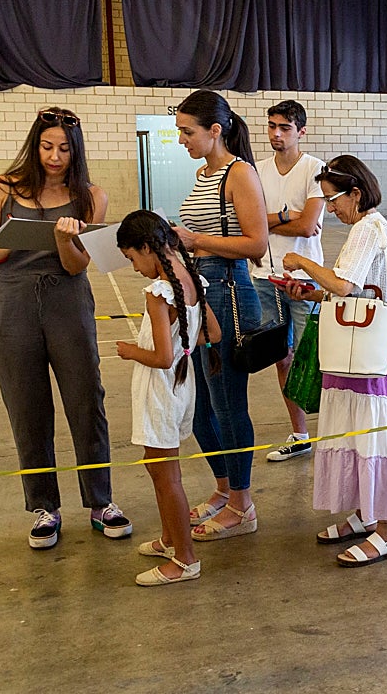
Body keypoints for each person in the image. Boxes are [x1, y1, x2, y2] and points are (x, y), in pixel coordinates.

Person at [0, 107, 131, 549]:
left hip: (67, 302)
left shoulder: (90, 196)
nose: (54, 157)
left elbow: (79, 265)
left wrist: (62, 240)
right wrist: (5, 243)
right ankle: (44, 507)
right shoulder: (1, 187)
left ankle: (101, 501)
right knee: (27, 407)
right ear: (34, 145)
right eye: (46, 147)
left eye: (63, 149)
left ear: (76, 151)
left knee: (86, 400)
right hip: (10, 304)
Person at [280, 155, 387, 567]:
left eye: (332, 199)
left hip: (365, 350)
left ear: (356, 193)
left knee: (371, 435)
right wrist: (313, 293)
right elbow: (352, 292)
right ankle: (365, 514)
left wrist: (303, 262)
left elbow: (344, 284)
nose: (330, 208)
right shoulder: (366, 228)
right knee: (354, 433)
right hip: (354, 346)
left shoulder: (368, 228)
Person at [173, 90, 269, 540]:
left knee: (228, 406)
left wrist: (196, 241)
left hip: (229, 294)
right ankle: (225, 488)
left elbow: (256, 243)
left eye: (187, 132)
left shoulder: (239, 173)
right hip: (200, 291)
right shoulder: (203, 173)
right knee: (201, 410)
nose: (182, 140)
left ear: (215, 130)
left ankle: (242, 506)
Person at [115, 211, 221, 586]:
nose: (135, 268)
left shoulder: (158, 293)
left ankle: (185, 559)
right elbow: (214, 334)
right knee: (158, 468)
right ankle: (170, 538)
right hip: (180, 385)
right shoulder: (192, 279)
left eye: (132, 258)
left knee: (166, 477)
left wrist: (131, 350)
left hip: (160, 389)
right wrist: (182, 345)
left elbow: (161, 358)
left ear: (147, 248)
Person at [250, 100, 326, 462]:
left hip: (305, 279)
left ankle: (335, 431)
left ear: (301, 132)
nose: (276, 134)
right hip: (264, 277)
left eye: (284, 128)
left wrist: (268, 222)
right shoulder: (257, 170)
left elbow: (308, 226)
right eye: (271, 126)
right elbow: (249, 224)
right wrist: (284, 215)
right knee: (282, 356)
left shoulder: (315, 169)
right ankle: (300, 434)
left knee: (313, 358)